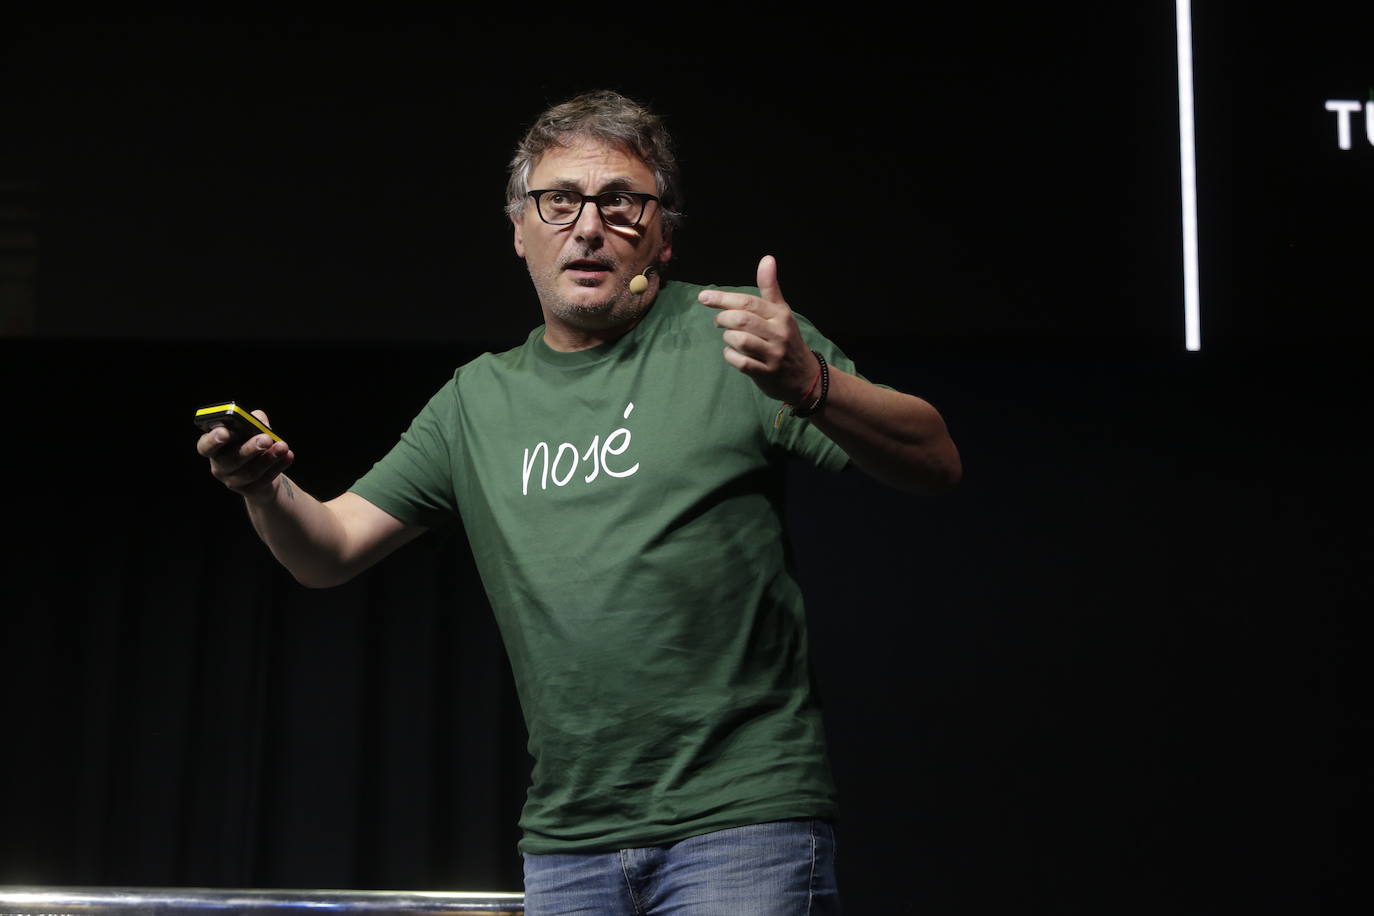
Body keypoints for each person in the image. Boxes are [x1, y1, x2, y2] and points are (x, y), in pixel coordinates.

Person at [197, 89, 960, 915]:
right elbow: (329, 548)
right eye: (558, 201)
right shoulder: (476, 401)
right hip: (569, 842)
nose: (588, 227)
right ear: (519, 231)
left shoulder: (733, 335)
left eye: (621, 202)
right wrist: (262, 487)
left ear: (663, 234)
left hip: (742, 823)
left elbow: (935, 461)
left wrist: (811, 382)